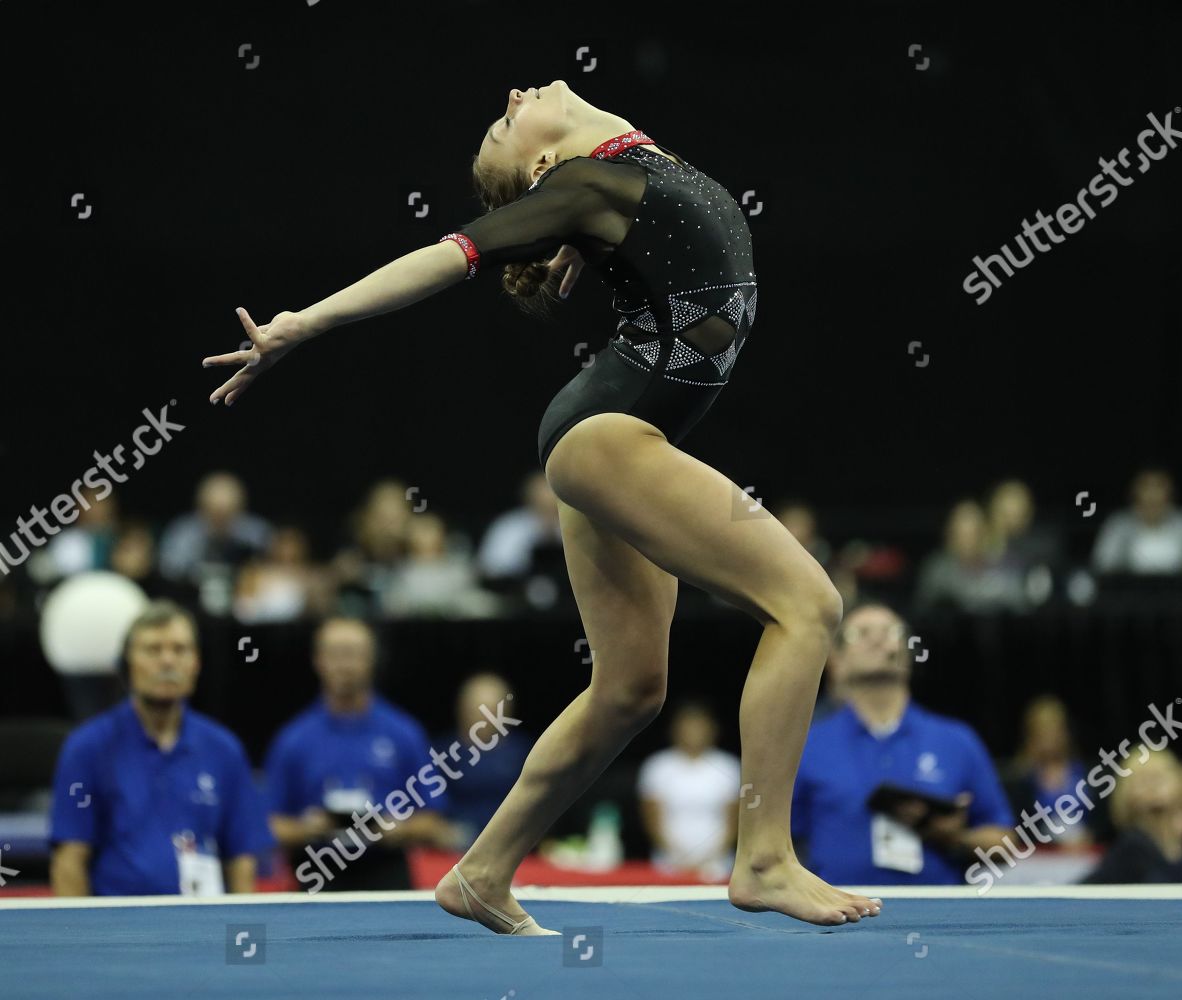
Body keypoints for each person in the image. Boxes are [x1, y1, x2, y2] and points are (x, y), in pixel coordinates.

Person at [203, 79, 880, 930]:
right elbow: (443, 259)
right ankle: (766, 859)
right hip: (610, 435)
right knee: (809, 605)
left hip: (605, 434)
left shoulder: (615, 173)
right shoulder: (586, 185)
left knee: (631, 687)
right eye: (503, 123)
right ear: (545, 168)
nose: (515, 93)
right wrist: (304, 322)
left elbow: (636, 198)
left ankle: (479, 873)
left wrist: (575, 238)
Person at [48, 600, 273, 895]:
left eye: (180, 649)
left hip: (203, 927)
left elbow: (241, 860)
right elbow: (69, 861)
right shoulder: (87, 748)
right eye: (153, 650)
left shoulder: (224, 749)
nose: (167, 661)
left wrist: (240, 935)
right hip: (118, 932)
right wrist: (79, 939)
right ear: (127, 664)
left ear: (196, 664)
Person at [791, 601, 1016, 885]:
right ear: (836, 660)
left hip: (939, 920)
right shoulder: (806, 744)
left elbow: (1006, 843)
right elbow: (777, 842)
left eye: (890, 631)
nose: (877, 638)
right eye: (861, 633)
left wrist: (957, 839)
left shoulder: (956, 740)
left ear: (909, 655)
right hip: (836, 922)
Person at [262, 617, 455, 891]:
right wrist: (308, 828)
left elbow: (434, 820)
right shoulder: (294, 739)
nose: (345, 665)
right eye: (336, 654)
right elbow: (268, 825)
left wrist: (394, 828)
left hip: (386, 872)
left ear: (372, 660)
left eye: (353, 654)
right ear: (319, 661)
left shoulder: (403, 733)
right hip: (317, 872)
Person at [1080, 745, 1182, 883]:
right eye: (1142, 779)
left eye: (1159, 777)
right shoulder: (1126, 854)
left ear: (1180, 783)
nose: (1152, 785)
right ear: (1125, 792)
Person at [637, 701, 742, 880]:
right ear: (675, 730)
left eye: (699, 726)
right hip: (668, 864)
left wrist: (709, 858)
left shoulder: (728, 766)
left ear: (712, 730)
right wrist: (678, 856)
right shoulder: (657, 766)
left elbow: (735, 821)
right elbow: (651, 819)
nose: (693, 733)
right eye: (687, 726)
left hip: (717, 866)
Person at [438, 673, 535, 850]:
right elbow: (429, 805)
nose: (484, 717)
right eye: (476, 709)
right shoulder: (443, 753)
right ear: (461, 709)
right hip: (454, 846)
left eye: (491, 710)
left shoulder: (525, 752)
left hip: (512, 845)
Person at [1091, 468, 1182, 580]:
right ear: (1135, 495)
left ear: (1170, 495)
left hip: (1181, 598)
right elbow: (1102, 564)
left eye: (1159, 488)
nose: (1152, 496)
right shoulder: (1119, 524)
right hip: (1129, 599)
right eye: (1146, 488)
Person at [1003, 694, 1094, 848]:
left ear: (1065, 732)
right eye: (1042, 730)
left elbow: (1102, 821)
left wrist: (1090, 837)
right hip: (1041, 861)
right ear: (1030, 735)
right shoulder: (1020, 781)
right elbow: (1017, 829)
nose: (1049, 737)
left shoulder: (1087, 774)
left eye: (1054, 729)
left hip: (1085, 853)